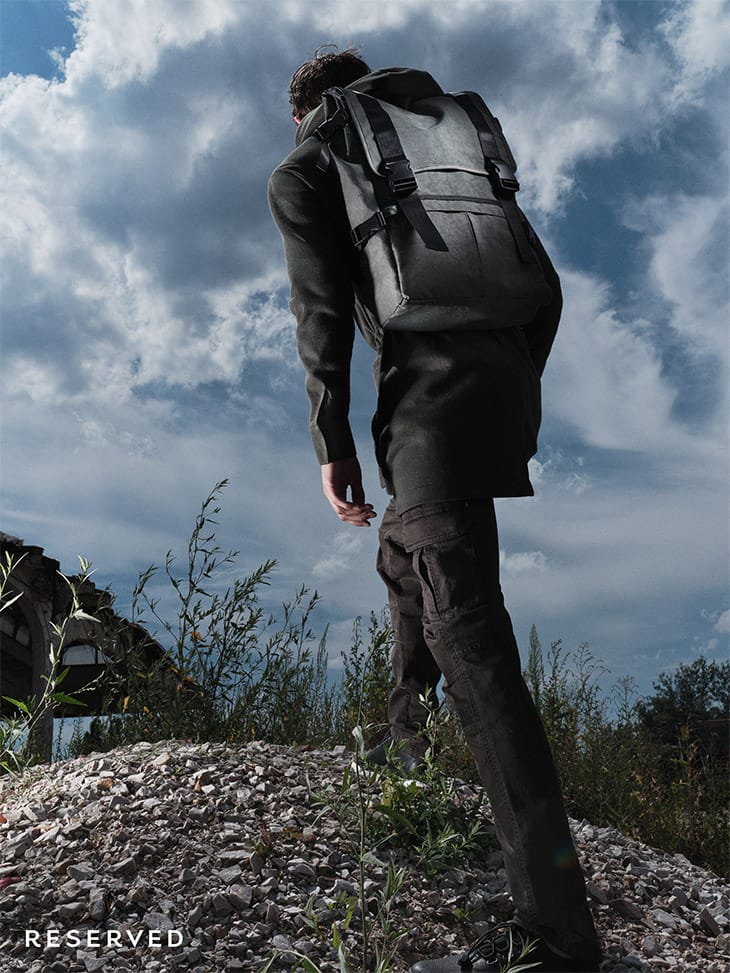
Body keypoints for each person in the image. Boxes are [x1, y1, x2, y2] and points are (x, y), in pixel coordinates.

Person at [268, 47, 603, 973]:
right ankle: (399, 742)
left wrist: (330, 440)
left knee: (476, 649)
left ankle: (557, 935)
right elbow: (544, 285)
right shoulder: (446, 139)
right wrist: (508, 382)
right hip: (501, 388)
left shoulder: (310, 161)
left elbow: (319, 313)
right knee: (402, 551)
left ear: (303, 111)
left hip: (426, 409)